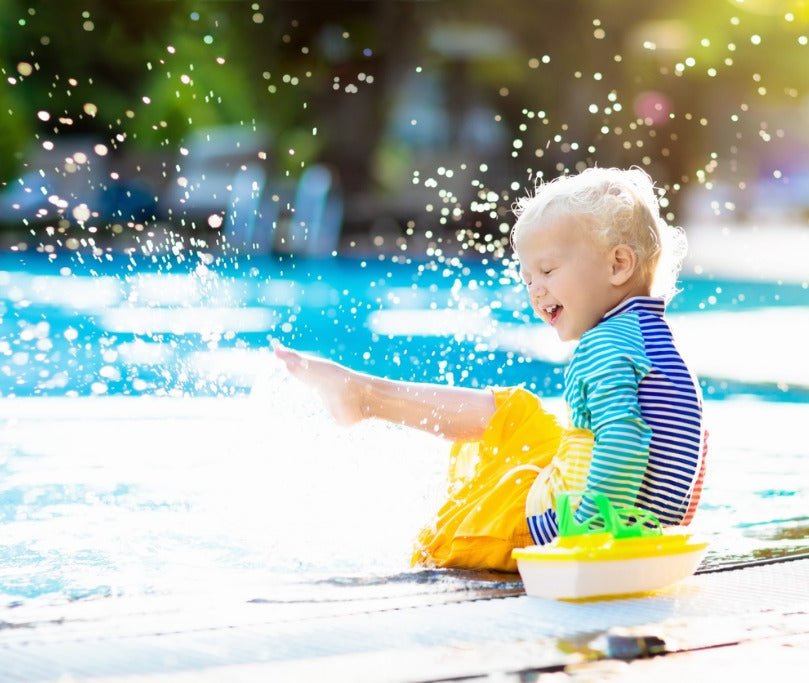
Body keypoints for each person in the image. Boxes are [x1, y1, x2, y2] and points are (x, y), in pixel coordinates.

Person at [273, 166, 707, 573]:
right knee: (515, 412)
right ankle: (364, 396)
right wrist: (671, 525)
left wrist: (583, 539)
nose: (535, 291)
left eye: (548, 271)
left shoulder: (603, 347)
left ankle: (367, 403)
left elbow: (625, 443)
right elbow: (690, 444)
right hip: (611, 508)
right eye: (527, 279)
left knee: (456, 527)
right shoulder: (658, 344)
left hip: (561, 527)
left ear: (618, 265)